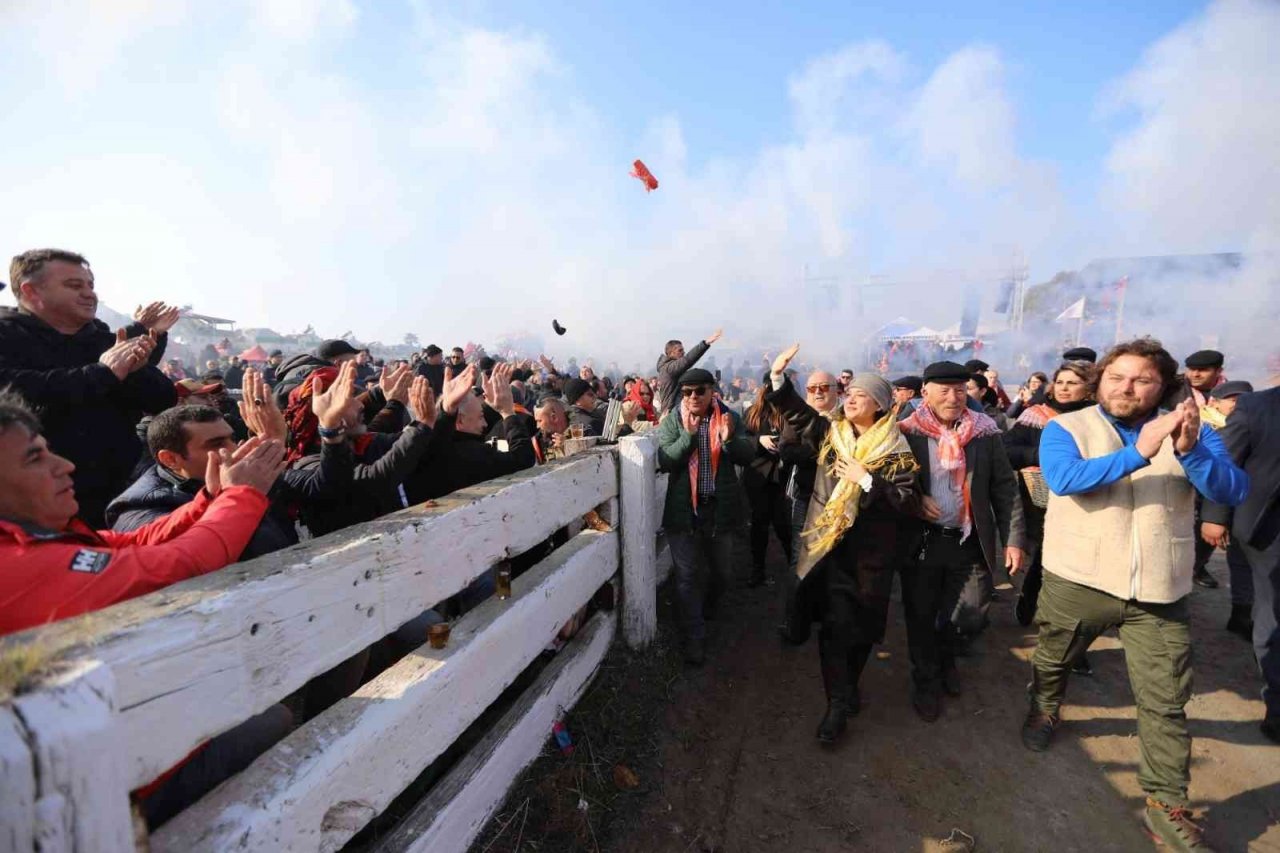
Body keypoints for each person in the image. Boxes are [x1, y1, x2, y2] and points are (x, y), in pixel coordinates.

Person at [1024, 338, 1248, 851]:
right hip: (1079, 577)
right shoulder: (1067, 427)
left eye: (1142, 379)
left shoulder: (1195, 430)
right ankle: (1045, 704)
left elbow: (1232, 490)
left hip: (1159, 588)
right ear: (1100, 381)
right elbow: (1063, 479)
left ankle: (1166, 803)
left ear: (1161, 386)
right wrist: (1138, 452)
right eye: (1117, 377)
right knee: (1056, 656)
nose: (1128, 387)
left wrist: (1189, 453)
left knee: (1167, 699)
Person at [767, 347, 921, 743]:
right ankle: (836, 704)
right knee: (834, 628)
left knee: (864, 630)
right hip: (830, 550)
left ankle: (849, 684)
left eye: (860, 396)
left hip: (872, 556)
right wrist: (778, 378)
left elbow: (908, 502)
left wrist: (867, 479)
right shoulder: (831, 435)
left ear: (881, 407)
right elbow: (799, 414)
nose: (849, 398)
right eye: (849, 394)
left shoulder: (897, 451)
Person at [0, 249, 181, 526]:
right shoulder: (8, 336)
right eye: (74, 286)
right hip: (38, 506)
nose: (89, 294)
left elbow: (162, 398)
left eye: (90, 285)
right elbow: (17, 391)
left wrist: (136, 367)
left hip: (123, 495)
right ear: (31, 291)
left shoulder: (104, 339)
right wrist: (103, 373)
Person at [899, 361, 1026, 719]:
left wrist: (1014, 540)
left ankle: (946, 655)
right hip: (923, 542)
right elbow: (892, 487)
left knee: (970, 614)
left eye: (960, 389)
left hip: (969, 542)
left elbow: (1004, 487)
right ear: (925, 393)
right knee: (921, 614)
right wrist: (914, 499)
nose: (954, 397)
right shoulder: (906, 433)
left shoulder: (984, 433)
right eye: (944, 390)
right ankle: (926, 679)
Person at [656, 367, 755, 665]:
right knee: (687, 576)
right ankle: (694, 637)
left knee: (722, 573)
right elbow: (667, 459)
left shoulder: (729, 418)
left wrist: (728, 440)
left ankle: (708, 608)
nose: (693, 397)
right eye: (687, 393)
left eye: (700, 391)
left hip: (719, 508)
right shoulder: (673, 420)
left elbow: (746, 456)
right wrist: (687, 436)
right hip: (684, 510)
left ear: (712, 390)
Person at [1200, 383, 1280, 744]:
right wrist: (1215, 515)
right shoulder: (1257, 406)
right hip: (1271, 530)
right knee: (1273, 613)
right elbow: (1226, 461)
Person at [1004, 362, 1097, 662]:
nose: (1065, 388)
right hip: (1042, 498)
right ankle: (1037, 602)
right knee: (1050, 558)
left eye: (1073, 383)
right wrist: (1045, 457)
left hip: (1089, 500)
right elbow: (1008, 451)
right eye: (1060, 382)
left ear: (1089, 388)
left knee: (1077, 567)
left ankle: (1069, 637)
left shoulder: (1098, 418)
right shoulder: (1035, 414)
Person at [1191, 380, 1256, 595]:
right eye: (1234, 400)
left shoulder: (1254, 424)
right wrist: (1215, 517)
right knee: (1201, 537)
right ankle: (1193, 568)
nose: (1238, 405)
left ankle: (1197, 567)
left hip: (1237, 497)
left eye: (1245, 401)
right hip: (1204, 493)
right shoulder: (1202, 424)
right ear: (1215, 403)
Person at [741, 375, 794, 588]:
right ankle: (758, 570)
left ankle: (795, 566)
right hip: (759, 475)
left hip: (783, 475)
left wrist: (785, 446)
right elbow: (740, 439)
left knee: (784, 524)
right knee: (759, 524)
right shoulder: (752, 412)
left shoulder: (790, 412)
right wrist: (758, 440)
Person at [654, 329, 723, 416]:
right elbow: (687, 360)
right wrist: (705, 343)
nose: (683, 353)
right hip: (673, 412)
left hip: (675, 411)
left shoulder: (669, 369)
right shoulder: (669, 368)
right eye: (680, 350)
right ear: (671, 353)